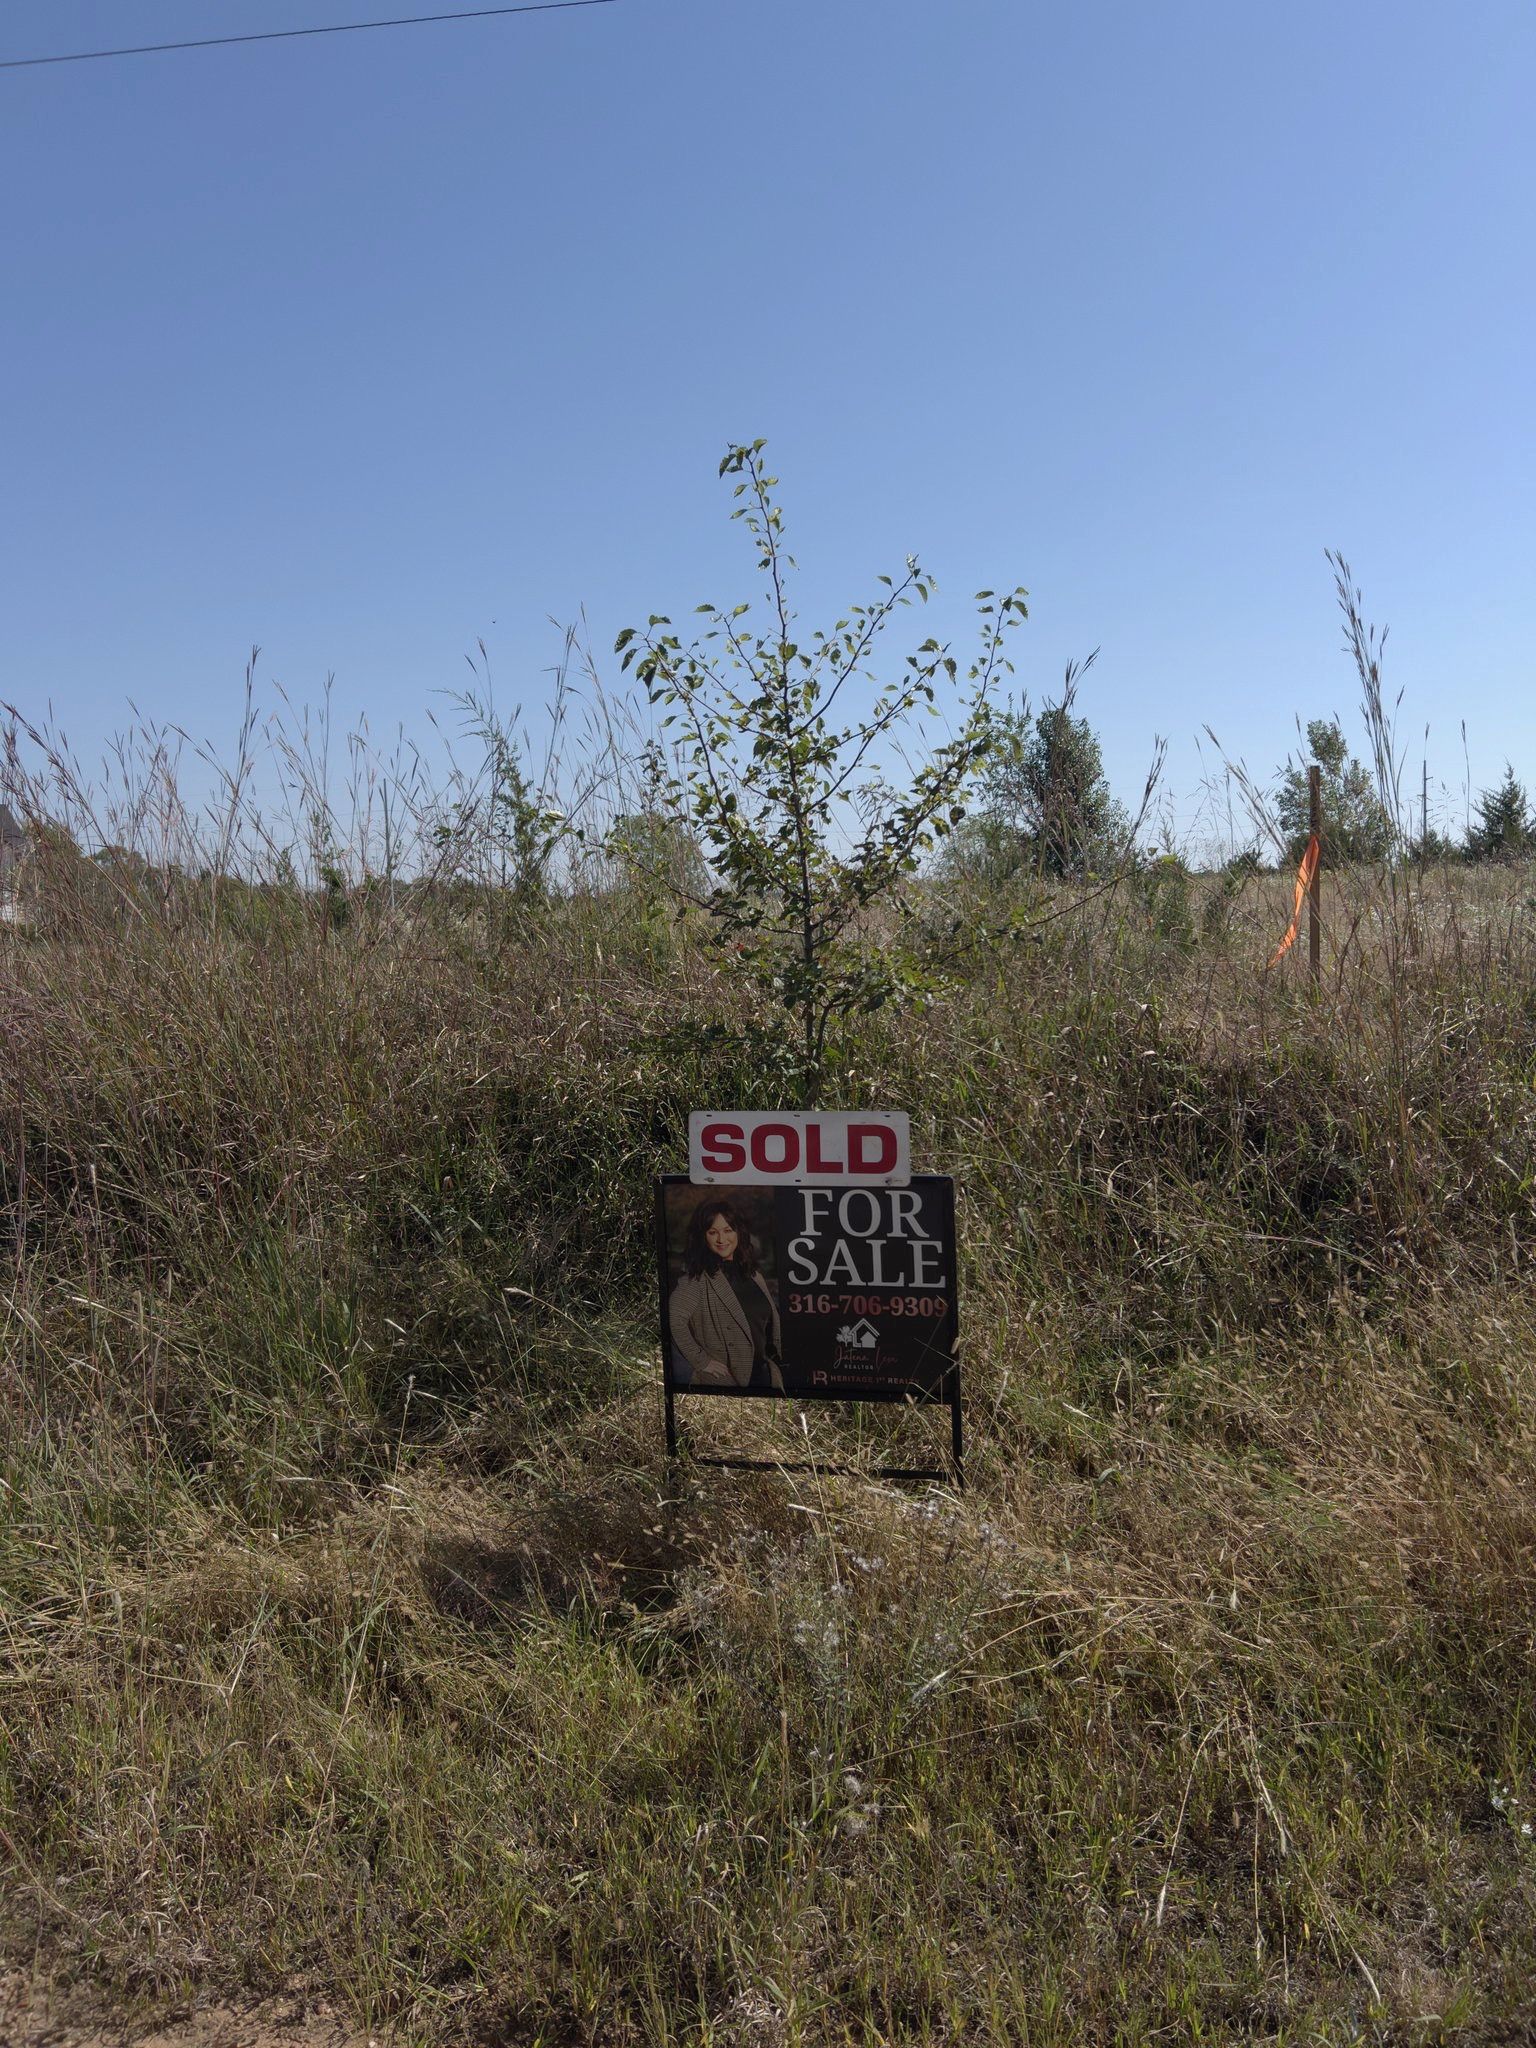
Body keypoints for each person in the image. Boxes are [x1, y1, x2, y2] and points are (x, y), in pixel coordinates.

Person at [668, 1198, 783, 1391]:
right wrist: (702, 1361)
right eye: (713, 1232)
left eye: (728, 1230)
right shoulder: (696, 1280)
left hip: (765, 1376)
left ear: (739, 1232)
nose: (721, 1239)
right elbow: (673, 1320)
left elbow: (768, 1323)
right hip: (726, 1381)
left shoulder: (753, 1275)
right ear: (703, 1236)